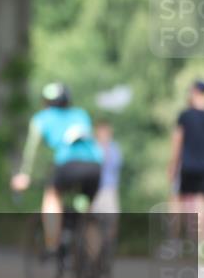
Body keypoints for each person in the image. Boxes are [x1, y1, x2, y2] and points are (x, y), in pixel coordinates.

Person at [11, 82, 103, 252]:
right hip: (95, 167)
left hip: (68, 165)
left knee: (52, 194)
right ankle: (95, 261)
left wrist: (24, 174)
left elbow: (32, 151)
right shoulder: (81, 115)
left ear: (45, 102)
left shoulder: (41, 119)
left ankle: (52, 242)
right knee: (87, 210)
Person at [167, 79, 204, 242]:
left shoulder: (185, 116)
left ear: (194, 91)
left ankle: (176, 240)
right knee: (202, 204)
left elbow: (177, 143)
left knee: (177, 202)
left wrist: (173, 166)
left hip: (187, 166)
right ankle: (201, 242)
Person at [90, 119, 122, 215]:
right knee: (92, 220)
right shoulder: (92, 147)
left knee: (111, 219)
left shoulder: (114, 148)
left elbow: (115, 164)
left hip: (109, 188)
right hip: (93, 189)